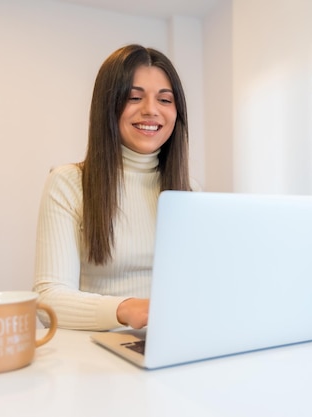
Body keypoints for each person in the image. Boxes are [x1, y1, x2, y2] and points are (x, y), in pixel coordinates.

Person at [33, 44, 196, 331]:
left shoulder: (188, 192)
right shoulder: (69, 183)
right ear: (108, 106)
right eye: (134, 97)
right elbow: (48, 301)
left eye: (165, 100)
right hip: (96, 351)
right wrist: (124, 309)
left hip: (172, 341)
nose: (151, 110)